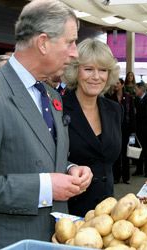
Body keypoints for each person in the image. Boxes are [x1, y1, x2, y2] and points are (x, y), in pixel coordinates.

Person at [0, 1, 93, 249]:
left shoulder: (52, 96)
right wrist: (46, 187)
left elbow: (38, 154)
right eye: (70, 42)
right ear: (42, 43)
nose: (75, 53)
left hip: (53, 238)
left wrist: (70, 169)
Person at [62, 38, 122, 217]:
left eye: (102, 70)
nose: (96, 77)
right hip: (68, 211)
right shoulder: (58, 108)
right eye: (88, 69)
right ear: (75, 71)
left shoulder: (114, 110)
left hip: (107, 212)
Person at [105, 78, 135, 184]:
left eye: (118, 83)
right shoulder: (109, 97)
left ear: (122, 85)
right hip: (114, 128)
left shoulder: (128, 97)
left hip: (126, 128)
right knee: (116, 153)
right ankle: (116, 177)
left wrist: (132, 130)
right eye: (114, 83)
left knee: (126, 153)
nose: (115, 85)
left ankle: (126, 177)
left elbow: (132, 113)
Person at [133, 82, 147, 178]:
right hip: (138, 128)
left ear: (141, 89)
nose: (135, 91)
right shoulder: (135, 99)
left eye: (136, 89)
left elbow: (146, 113)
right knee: (138, 149)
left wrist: (138, 112)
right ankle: (139, 169)